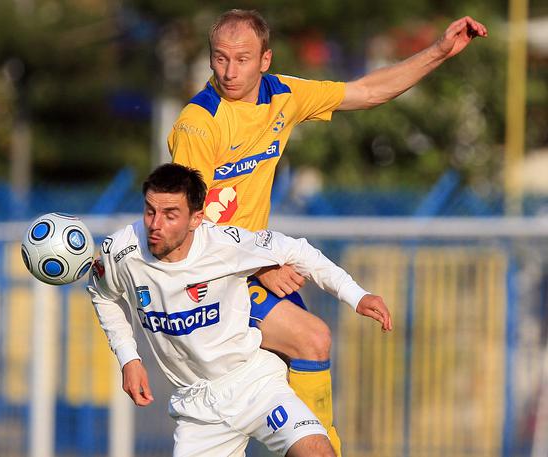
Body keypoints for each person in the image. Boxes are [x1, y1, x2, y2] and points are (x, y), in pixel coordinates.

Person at [168, 9, 486, 455]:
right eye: (220, 59)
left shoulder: (283, 95)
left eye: (242, 59)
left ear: (265, 59)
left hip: (247, 268)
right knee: (311, 339)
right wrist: (260, 270)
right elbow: (188, 228)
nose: (229, 71)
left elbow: (369, 90)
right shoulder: (198, 124)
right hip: (208, 281)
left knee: (296, 361)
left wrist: (438, 51)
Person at [87, 163, 391, 457]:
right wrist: (129, 358)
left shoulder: (224, 244)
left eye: (170, 215)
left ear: (196, 219)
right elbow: (102, 294)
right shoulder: (121, 251)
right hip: (197, 410)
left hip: (254, 384)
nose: (155, 224)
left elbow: (298, 251)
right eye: (150, 211)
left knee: (318, 453)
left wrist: (356, 295)